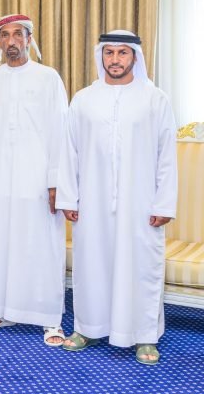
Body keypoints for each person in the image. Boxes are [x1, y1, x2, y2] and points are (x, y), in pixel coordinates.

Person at [57, 31, 177, 365]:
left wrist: (164, 203)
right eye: (109, 52)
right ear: (101, 56)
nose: (115, 59)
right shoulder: (83, 99)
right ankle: (88, 327)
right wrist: (68, 197)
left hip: (141, 203)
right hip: (91, 201)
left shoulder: (155, 99)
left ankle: (144, 335)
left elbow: (167, 155)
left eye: (122, 53)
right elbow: (69, 151)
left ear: (135, 57)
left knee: (140, 266)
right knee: (91, 264)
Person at [0, 14, 68, 346]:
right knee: (0, 243)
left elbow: (60, 130)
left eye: (17, 35)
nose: (11, 41)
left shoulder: (48, 77)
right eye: (4, 35)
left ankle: (50, 319)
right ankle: (0, 311)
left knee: (41, 246)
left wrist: (56, 181)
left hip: (37, 178)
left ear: (29, 39)